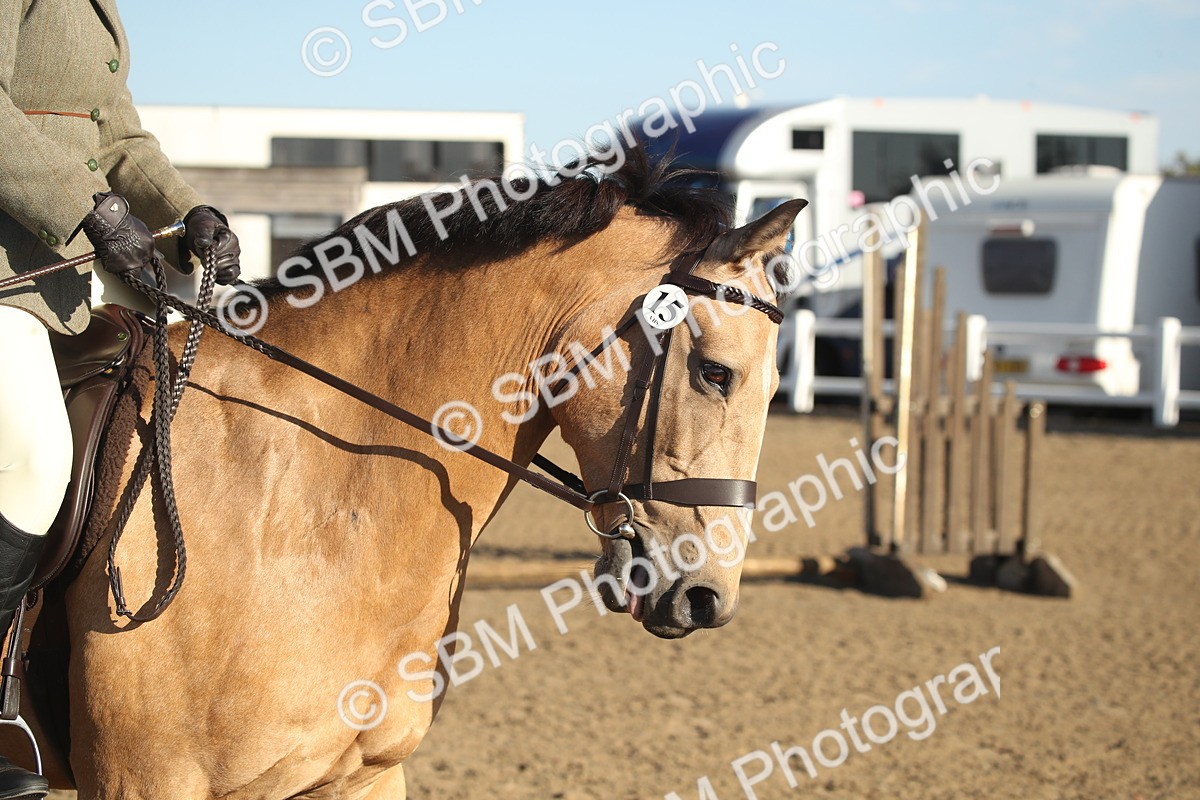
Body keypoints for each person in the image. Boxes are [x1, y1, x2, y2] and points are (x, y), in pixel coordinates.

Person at [0, 2, 240, 796]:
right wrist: (88, 209)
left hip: (75, 268)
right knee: (32, 461)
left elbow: (120, 141)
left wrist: (184, 212)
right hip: (11, 268)